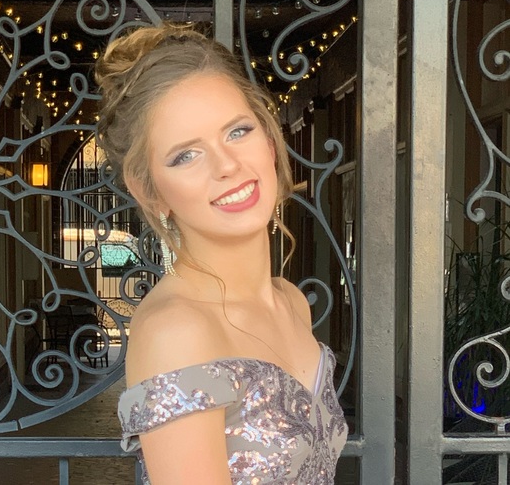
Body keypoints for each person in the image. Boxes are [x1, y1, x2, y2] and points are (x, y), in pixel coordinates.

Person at [96, 24, 347, 484]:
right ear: (149, 190)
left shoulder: (290, 302)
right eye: (185, 156)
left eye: (238, 131)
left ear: (268, 139)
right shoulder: (177, 333)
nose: (227, 165)